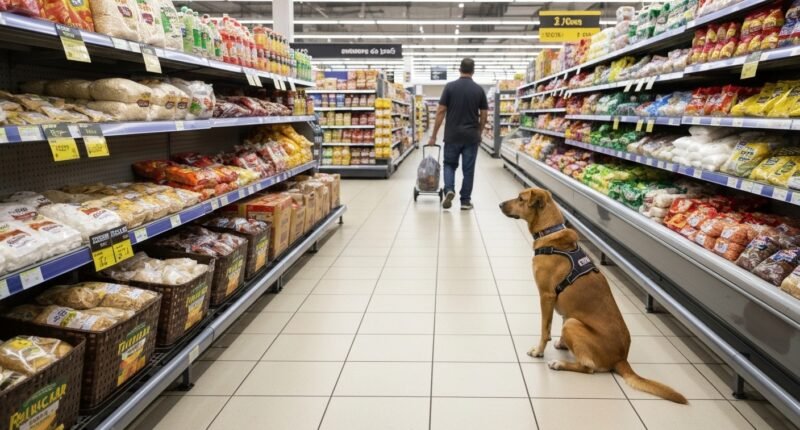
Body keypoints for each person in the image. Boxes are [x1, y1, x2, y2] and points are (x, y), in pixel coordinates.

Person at [427, 58, 488, 210]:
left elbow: (441, 111)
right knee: (468, 170)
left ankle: (449, 190)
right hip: (471, 137)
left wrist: (433, 135)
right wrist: (479, 132)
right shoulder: (479, 90)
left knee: (449, 165)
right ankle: (465, 202)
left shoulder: (449, 87)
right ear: (473, 71)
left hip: (452, 136)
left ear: (459, 70)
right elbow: (484, 115)